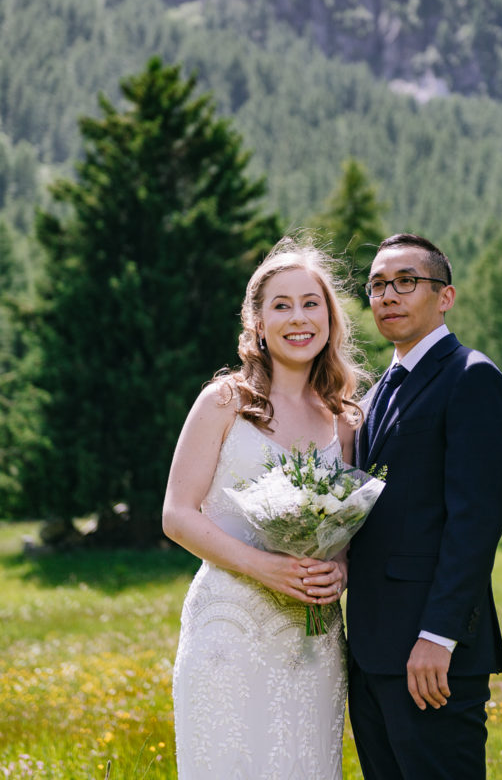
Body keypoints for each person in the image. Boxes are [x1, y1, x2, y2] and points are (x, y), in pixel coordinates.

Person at [163, 240, 363, 779]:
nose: (298, 318)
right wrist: (263, 568)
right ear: (256, 320)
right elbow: (177, 514)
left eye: (311, 303)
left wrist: (338, 572)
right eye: (281, 305)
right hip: (230, 628)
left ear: (330, 317)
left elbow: (344, 532)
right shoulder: (225, 401)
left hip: (312, 637)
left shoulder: (345, 418)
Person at [347, 233, 502, 780]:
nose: (387, 295)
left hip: (431, 656)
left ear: (445, 297)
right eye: (376, 285)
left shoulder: (472, 379)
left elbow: (475, 523)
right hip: (370, 653)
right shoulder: (374, 395)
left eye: (405, 282)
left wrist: (438, 637)